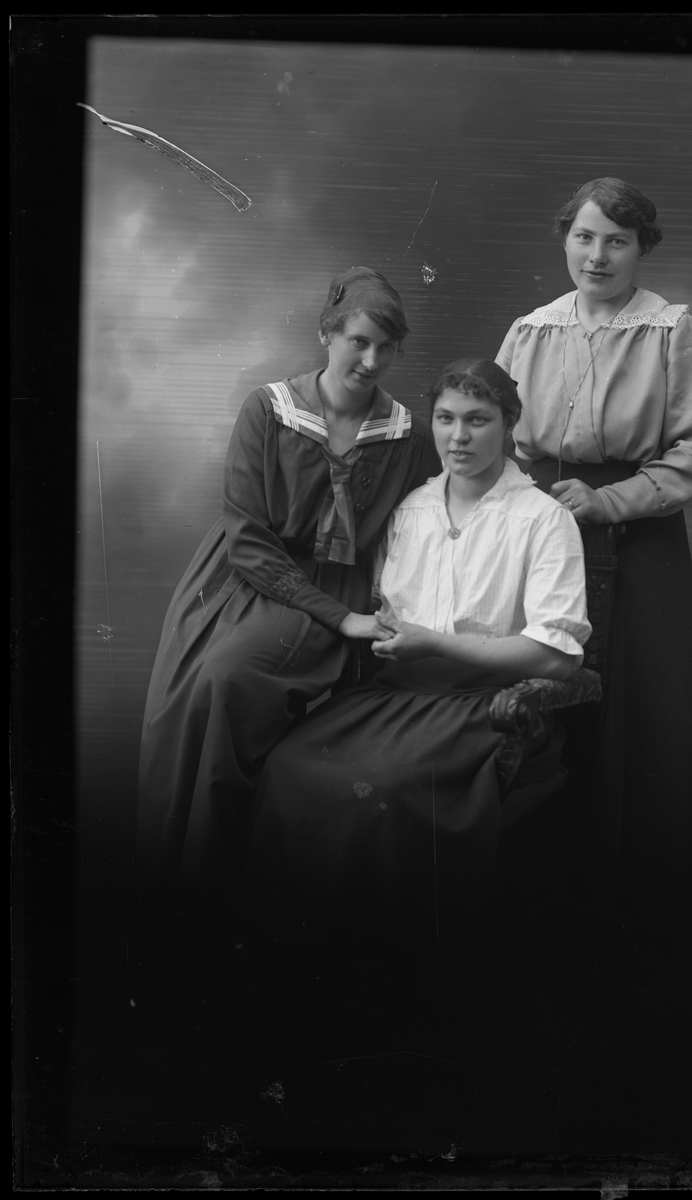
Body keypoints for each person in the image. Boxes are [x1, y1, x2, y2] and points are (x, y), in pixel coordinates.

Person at [243, 358, 591, 951]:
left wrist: (433, 642)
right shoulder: (410, 510)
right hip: (396, 696)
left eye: (478, 420)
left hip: (483, 708)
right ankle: (302, 952)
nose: (458, 437)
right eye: (447, 419)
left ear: (509, 425)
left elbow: (556, 658)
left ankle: (392, 959)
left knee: (382, 790)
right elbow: (382, 608)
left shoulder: (543, 519)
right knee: (289, 766)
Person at [137, 268, 441, 899]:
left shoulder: (408, 435)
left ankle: (221, 869)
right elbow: (246, 534)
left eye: (386, 348)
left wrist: (357, 614)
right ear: (326, 333)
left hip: (340, 593)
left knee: (230, 679)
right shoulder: (268, 409)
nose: (371, 361)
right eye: (358, 341)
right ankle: (184, 872)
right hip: (244, 577)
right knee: (198, 687)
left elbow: (423, 525)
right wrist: (338, 615)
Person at [495, 177, 692, 955]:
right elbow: (497, 439)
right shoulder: (530, 330)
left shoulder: (670, 330)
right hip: (544, 530)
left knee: (641, 707)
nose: (596, 255)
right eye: (584, 237)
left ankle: (640, 911)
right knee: (546, 696)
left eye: (615, 241)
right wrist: (527, 504)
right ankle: (545, 896)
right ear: (565, 239)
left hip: (640, 535)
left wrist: (608, 502)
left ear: (639, 248)